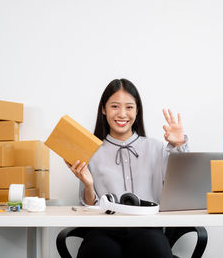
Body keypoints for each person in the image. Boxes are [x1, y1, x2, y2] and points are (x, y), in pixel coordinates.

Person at [66, 78, 189, 258]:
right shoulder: (90, 151)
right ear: (103, 109)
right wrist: (89, 185)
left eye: (129, 107)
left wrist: (179, 146)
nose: (122, 114)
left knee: (152, 248)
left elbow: (184, 185)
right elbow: (88, 207)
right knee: (100, 251)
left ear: (137, 111)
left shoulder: (156, 147)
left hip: (148, 228)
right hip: (104, 230)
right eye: (115, 106)